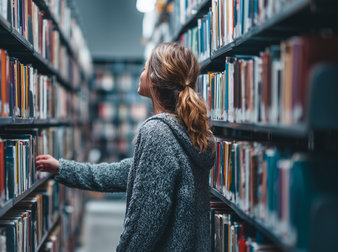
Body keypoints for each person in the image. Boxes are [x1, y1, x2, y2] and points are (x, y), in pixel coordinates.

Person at [35, 42, 216, 252]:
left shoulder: (158, 132)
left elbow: (145, 218)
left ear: (155, 80)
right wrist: (63, 168)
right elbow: (125, 173)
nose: (141, 74)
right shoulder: (188, 130)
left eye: (145, 68)